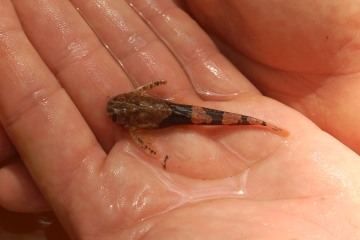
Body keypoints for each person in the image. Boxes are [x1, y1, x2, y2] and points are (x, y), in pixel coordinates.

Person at [0, 0, 359, 239]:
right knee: (204, 118)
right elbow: (151, 93)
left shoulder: (135, 123)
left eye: (124, 108)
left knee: (208, 118)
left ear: (134, 100)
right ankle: (264, 124)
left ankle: (263, 124)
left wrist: (148, 145)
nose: (120, 112)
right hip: (176, 114)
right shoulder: (140, 107)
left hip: (177, 115)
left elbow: (143, 126)